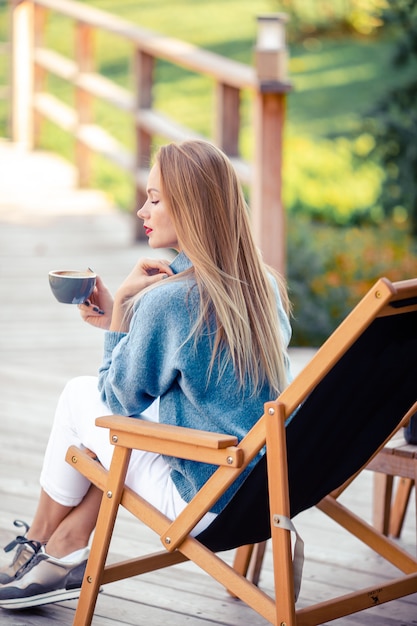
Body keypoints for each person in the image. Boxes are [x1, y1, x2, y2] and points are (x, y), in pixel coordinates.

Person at [0, 139, 292, 610]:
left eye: (154, 198)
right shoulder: (262, 285)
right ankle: (63, 544)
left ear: (193, 208)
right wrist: (131, 317)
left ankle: (41, 542)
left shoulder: (169, 300)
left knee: (79, 400)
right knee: (127, 422)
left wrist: (123, 317)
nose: (141, 210)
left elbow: (117, 402)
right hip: (264, 492)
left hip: (204, 500)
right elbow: (191, 364)